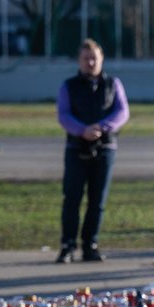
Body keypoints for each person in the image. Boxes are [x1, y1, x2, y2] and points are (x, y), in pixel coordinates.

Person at [55, 38, 129, 263]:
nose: (90, 62)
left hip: (104, 148)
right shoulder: (69, 86)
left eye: (94, 58)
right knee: (72, 198)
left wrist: (101, 128)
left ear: (101, 59)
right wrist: (82, 130)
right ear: (79, 60)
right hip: (77, 147)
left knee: (97, 200)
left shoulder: (112, 84)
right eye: (86, 58)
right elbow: (63, 114)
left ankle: (90, 245)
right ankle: (68, 245)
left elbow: (122, 111)